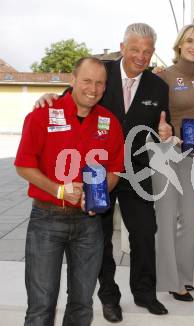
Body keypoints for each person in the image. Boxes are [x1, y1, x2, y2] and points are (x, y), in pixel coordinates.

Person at [34, 23, 173, 322]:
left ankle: (145, 293)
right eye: (135, 49)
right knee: (100, 237)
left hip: (135, 171)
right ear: (122, 47)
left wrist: (166, 132)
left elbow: (164, 126)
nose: (141, 56)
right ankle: (109, 297)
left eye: (147, 52)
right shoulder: (102, 73)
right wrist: (48, 96)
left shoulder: (158, 86)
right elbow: (72, 94)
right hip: (97, 174)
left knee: (145, 232)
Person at [15, 57, 125, 326]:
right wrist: (60, 191)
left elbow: (115, 169)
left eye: (100, 83)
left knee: (81, 304)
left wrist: (99, 192)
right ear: (73, 80)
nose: (93, 88)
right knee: (41, 306)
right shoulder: (43, 113)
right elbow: (24, 165)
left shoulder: (109, 122)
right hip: (47, 219)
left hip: (89, 223)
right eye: (87, 80)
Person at [152, 24, 194, 302]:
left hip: (187, 151)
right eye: (189, 41)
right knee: (166, 219)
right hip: (163, 150)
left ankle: (184, 275)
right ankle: (170, 280)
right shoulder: (162, 76)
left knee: (193, 217)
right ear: (179, 44)